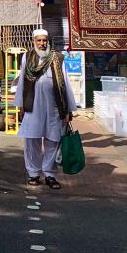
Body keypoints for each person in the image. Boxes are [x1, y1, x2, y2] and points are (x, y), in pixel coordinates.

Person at [15, 29, 77, 190]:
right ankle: (33, 174)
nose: (42, 44)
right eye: (39, 40)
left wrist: (69, 109)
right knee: (31, 141)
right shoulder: (27, 57)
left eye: (44, 40)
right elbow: (22, 81)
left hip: (55, 107)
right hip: (33, 106)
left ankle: (50, 175)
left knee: (53, 141)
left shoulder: (57, 58)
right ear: (33, 41)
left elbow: (66, 84)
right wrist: (20, 105)